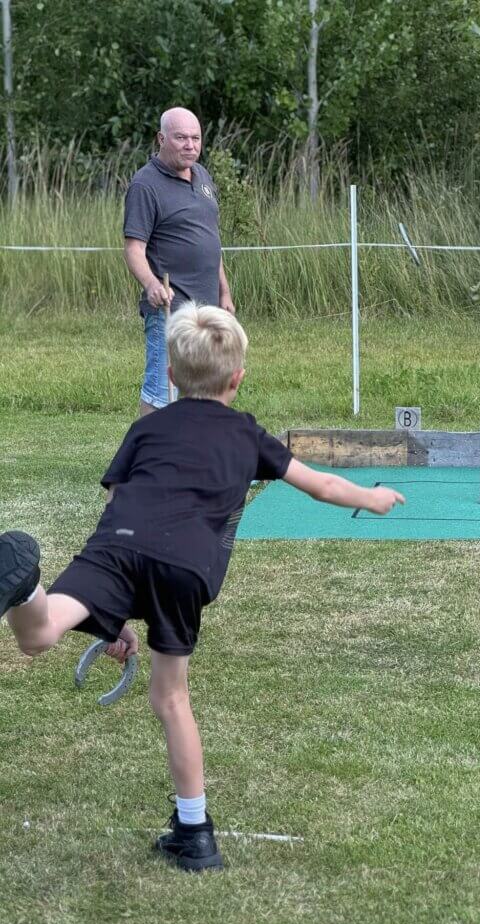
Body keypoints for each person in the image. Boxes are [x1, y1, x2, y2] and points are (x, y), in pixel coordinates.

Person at [0, 304, 405, 872]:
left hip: (118, 543)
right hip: (185, 563)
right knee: (171, 698)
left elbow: (116, 502)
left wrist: (112, 614)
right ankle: (194, 835)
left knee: (39, 634)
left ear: (169, 376)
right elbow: (320, 485)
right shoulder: (247, 433)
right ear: (237, 379)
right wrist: (372, 497)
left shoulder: (146, 428)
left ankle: (26, 589)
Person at [124, 107, 235, 416]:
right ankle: (149, 445)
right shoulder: (145, 185)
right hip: (170, 308)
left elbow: (210, 241)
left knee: (205, 386)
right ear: (161, 139)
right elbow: (133, 248)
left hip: (208, 308)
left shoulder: (202, 176)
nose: (190, 145)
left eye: (196, 138)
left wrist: (224, 292)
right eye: (181, 138)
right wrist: (151, 284)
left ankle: (193, 443)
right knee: (162, 389)